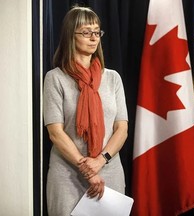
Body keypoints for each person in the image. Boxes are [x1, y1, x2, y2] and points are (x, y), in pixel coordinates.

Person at [43, 5, 128, 216]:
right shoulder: (55, 78)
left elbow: (121, 128)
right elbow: (55, 133)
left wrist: (100, 161)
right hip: (67, 174)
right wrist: (87, 170)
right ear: (70, 36)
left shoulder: (112, 78)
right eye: (86, 32)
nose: (93, 37)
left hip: (109, 170)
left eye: (97, 31)